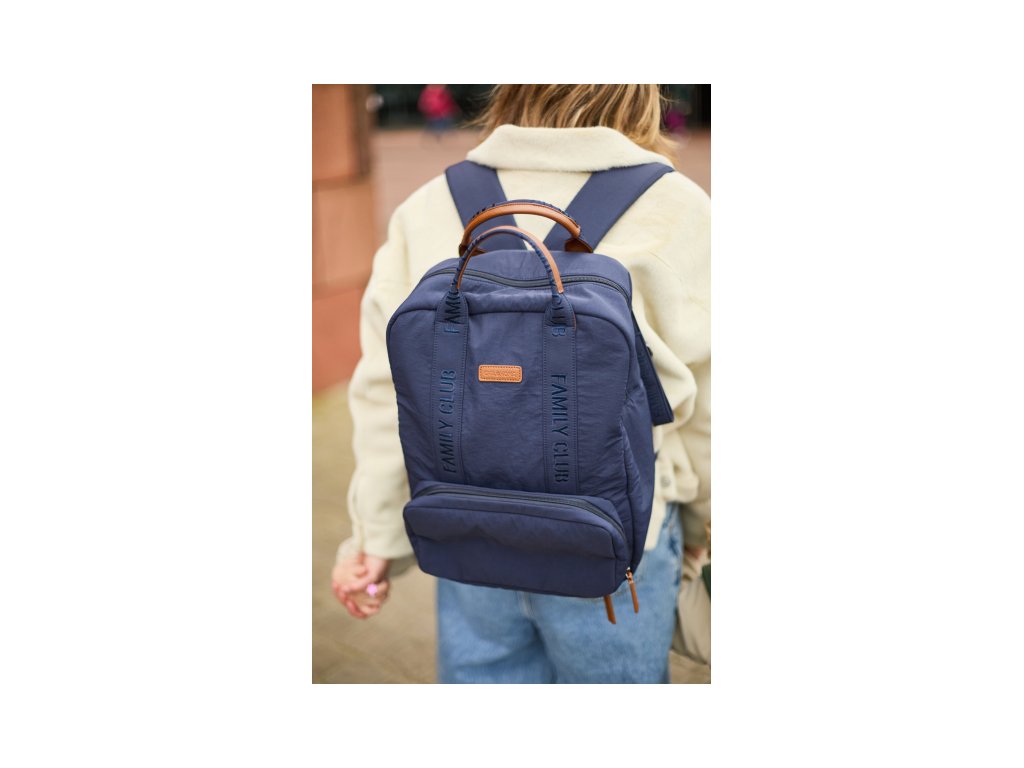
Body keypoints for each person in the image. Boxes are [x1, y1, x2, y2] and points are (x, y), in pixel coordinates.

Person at [332, 84, 710, 683]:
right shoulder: (680, 209)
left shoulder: (428, 204)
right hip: (613, 542)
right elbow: (710, 405)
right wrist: (701, 524)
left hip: (465, 529)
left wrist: (377, 537)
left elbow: (386, 392)